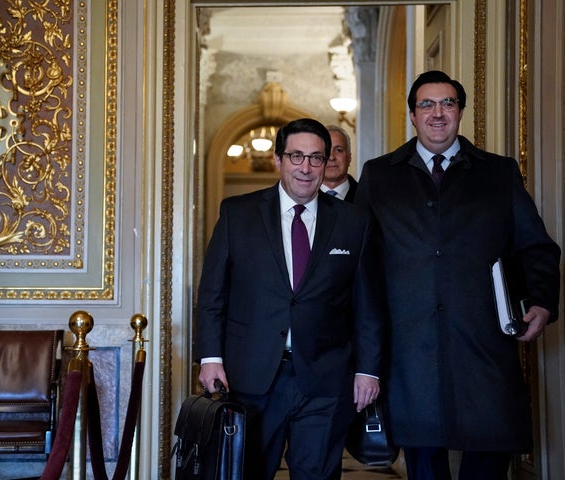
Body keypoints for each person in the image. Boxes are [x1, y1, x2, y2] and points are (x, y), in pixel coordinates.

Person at [355, 70, 561, 480]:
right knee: (425, 464)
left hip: (482, 344)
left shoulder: (498, 173)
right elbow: (361, 264)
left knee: (488, 456)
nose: (437, 113)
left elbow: (535, 245)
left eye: (447, 103)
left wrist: (541, 301)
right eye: (426, 104)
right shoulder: (380, 174)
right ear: (412, 115)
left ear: (461, 112)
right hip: (409, 350)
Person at [197, 118, 385, 479]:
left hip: (326, 378)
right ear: (279, 160)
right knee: (248, 472)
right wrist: (210, 358)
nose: (306, 167)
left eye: (316, 158)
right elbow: (212, 294)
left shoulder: (354, 222)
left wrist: (368, 369)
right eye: (296, 156)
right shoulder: (238, 214)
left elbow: (368, 305)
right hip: (251, 376)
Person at [320, 124, 357, 202]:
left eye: (339, 150)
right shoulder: (301, 196)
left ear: (349, 157)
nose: (331, 157)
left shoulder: (368, 197)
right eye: (326, 151)